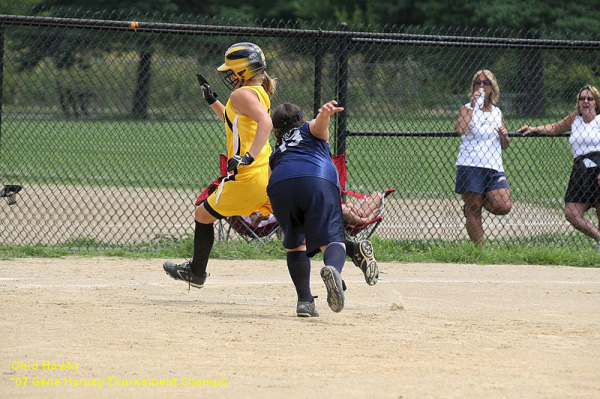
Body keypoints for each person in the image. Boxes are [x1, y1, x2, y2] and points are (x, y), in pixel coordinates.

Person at [163, 42, 276, 288]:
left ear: (243, 72)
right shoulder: (259, 91)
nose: (229, 76)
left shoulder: (240, 94)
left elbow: (266, 123)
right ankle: (349, 250)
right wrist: (213, 100)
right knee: (299, 223)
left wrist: (248, 156)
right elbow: (236, 123)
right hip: (267, 174)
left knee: (202, 214)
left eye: (232, 71)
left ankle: (196, 272)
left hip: (248, 176)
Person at [267, 100, 351, 317]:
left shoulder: (276, 151)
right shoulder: (308, 129)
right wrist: (324, 115)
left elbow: (269, 183)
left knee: (296, 243)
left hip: (279, 185)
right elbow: (318, 126)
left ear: (276, 130)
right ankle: (334, 271)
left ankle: (304, 301)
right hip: (316, 179)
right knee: (332, 239)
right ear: (301, 120)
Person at [517, 85, 600, 253]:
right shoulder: (574, 119)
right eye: (582, 98)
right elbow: (555, 128)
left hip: (598, 167)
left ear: (596, 102)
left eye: (590, 99)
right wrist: (534, 129)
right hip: (580, 171)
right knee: (571, 213)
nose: (585, 101)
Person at [455, 69, 512, 245]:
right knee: (474, 210)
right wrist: (472, 106)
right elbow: (460, 130)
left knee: (503, 205)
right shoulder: (467, 109)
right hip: (470, 164)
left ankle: (474, 203)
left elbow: (505, 144)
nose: (481, 86)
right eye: (477, 83)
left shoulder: (497, 112)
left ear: (492, 87)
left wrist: (504, 135)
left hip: (494, 166)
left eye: (485, 82)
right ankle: (480, 251)